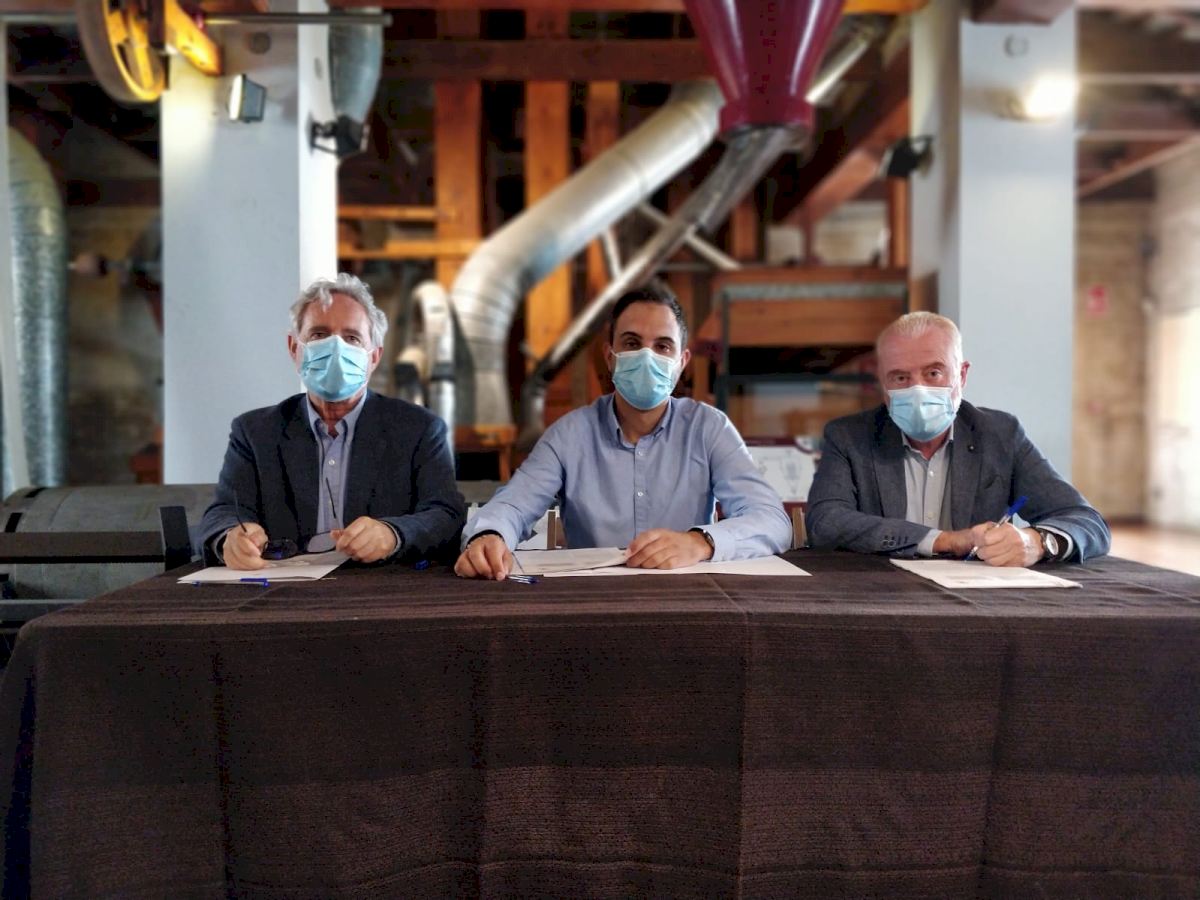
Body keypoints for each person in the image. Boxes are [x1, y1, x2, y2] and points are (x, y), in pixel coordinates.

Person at [456, 284, 792, 580]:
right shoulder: (570, 435)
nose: (646, 357)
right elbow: (514, 505)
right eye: (632, 343)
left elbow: (772, 521)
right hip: (593, 601)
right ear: (610, 355)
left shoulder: (709, 428)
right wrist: (489, 535)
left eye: (663, 346)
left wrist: (699, 542)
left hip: (688, 596)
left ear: (682, 362)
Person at [198, 273, 465, 570]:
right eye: (319, 335)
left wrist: (393, 534)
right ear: (294, 348)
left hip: (380, 585)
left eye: (352, 338)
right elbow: (223, 511)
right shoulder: (255, 433)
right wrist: (230, 538)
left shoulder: (419, 429)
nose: (336, 349)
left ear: (374, 357)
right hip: (281, 585)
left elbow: (445, 514)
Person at [807, 311, 1110, 565]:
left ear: (962, 375)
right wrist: (947, 541)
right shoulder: (849, 437)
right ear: (882, 383)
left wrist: (1037, 542)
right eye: (900, 377)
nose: (918, 389)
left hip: (979, 601)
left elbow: (1086, 521)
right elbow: (825, 521)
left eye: (933, 373)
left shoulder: (1000, 434)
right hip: (883, 595)